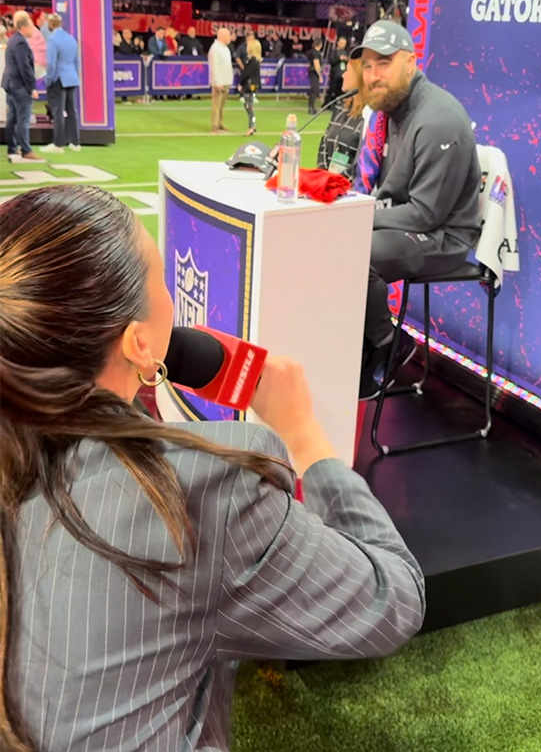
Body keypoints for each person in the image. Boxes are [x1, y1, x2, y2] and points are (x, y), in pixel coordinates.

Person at [0, 185, 425, 752]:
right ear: (139, 341)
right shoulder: (204, 490)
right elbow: (392, 599)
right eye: (160, 281)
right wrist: (307, 438)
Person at [352, 19, 482, 400]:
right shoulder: (392, 111)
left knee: (358, 253)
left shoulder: (437, 119)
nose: (373, 75)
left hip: (445, 238)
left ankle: (387, 343)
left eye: (384, 63)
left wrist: (359, 216)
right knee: (332, 240)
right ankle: (356, 345)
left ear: (410, 62)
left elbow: (426, 214)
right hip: (408, 226)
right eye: (368, 65)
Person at [317, 53, 366, 181]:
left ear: (359, 77)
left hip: (349, 190)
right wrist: (322, 176)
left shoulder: (369, 115)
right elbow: (324, 143)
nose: (343, 74)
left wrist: (338, 184)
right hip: (326, 185)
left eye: (348, 71)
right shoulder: (340, 106)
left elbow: (363, 160)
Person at [2, 11, 43, 164]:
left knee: (12, 118)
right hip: (19, 86)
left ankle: (13, 148)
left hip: (12, 85)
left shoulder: (14, 40)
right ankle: (26, 150)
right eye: (31, 26)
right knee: (22, 119)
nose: (33, 29)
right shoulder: (20, 42)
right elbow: (24, 67)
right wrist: (32, 87)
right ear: (24, 26)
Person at [41, 14, 81, 153]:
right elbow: (77, 62)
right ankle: (75, 143)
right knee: (71, 110)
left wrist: (48, 80)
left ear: (50, 25)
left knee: (58, 111)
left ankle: (58, 144)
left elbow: (51, 64)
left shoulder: (52, 40)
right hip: (71, 77)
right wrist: (75, 75)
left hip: (59, 78)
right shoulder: (71, 38)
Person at [208, 27, 233, 134]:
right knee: (216, 105)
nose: (230, 38)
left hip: (226, 80)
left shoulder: (225, 48)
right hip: (219, 81)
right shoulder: (215, 49)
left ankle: (220, 122)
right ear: (222, 36)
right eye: (228, 35)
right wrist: (216, 82)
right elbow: (214, 67)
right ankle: (215, 125)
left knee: (222, 105)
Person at [238, 35, 262, 136]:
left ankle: (251, 127)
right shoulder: (255, 61)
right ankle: (253, 126)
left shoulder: (253, 61)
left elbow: (246, 74)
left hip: (250, 86)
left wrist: (241, 83)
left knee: (249, 106)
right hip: (252, 86)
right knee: (249, 106)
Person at [323, 35, 349, 106]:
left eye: (344, 44)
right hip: (335, 74)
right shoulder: (333, 52)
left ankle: (338, 103)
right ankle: (327, 104)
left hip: (343, 74)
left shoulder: (345, 52)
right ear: (338, 43)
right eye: (341, 43)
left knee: (341, 90)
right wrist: (339, 59)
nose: (343, 45)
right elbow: (331, 61)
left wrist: (346, 60)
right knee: (331, 89)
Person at [305, 35, 323, 115]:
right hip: (314, 72)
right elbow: (316, 64)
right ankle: (311, 108)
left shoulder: (311, 52)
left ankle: (311, 107)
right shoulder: (316, 53)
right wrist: (320, 75)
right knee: (314, 90)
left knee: (314, 90)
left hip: (311, 71)